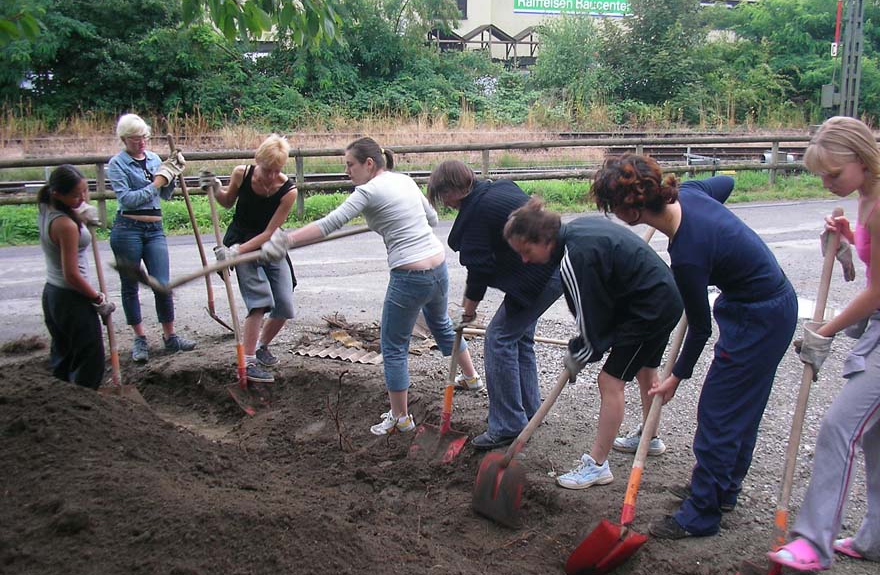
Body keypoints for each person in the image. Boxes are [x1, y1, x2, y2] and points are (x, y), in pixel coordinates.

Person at [591, 155, 798, 539]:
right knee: (742, 409)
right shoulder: (694, 192)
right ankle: (722, 492)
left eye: (612, 207)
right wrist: (718, 232)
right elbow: (727, 183)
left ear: (630, 210)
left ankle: (701, 514)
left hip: (757, 318)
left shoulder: (686, 256)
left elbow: (699, 328)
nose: (613, 214)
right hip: (770, 304)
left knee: (719, 414)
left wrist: (675, 377)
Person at [767, 116, 880, 571]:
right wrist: (848, 237)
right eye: (820, 175)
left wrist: (825, 329)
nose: (826, 183)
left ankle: (812, 544)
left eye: (833, 174)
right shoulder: (873, 190)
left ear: (862, 161)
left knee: (839, 428)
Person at [259, 137, 480, 435]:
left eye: (350, 165)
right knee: (440, 323)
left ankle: (400, 419)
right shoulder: (403, 181)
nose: (347, 171)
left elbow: (329, 224)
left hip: (409, 276)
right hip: (437, 267)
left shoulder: (367, 191)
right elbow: (432, 218)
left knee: (393, 346)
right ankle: (471, 377)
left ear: (369, 164)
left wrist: (287, 241)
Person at [503, 198, 683, 489]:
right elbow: (600, 306)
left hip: (648, 310)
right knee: (645, 370)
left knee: (610, 382)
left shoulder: (574, 258)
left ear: (545, 240)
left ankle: (597, 465)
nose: (524, 260)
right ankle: (649, 438)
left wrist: (582, 351)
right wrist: (587, 346)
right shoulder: (580, 228)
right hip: (663, 296)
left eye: (526, 251)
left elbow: (591, 317)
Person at [426, 160, 564, 450]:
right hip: (554, 268)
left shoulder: (477, 212)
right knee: (520, 339)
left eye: (444, 196)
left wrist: (469, 309)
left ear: (456, 190)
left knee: (498, 338)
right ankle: (530, 411)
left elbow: (480, 268)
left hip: (539, 275)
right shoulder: (499, 188)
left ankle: (507, 425)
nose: (445, 203)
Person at [202, 134, 297, 384]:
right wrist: (215, 188)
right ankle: (249, 360)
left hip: (269, 245)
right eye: (267, 170)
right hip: (240, 239)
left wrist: (237, 252)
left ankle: (262, 346)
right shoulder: (241, 174)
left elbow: (268, 233)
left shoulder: (288, 192)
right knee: (259, 302)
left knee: (285, 304)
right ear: (258, 161)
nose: (271, 176)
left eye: (277, 171)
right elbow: (226, 201)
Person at [107, 113, 195, 363]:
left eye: (144, 137)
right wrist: (157, 182)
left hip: (155, 229)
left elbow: (165, 195)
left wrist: (173, 172)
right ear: (124, 139)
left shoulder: (155, 158)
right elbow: (127, 199)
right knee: (130, 285)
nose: (142, 142)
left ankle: (170, 337)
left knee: (162, 284)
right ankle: (140, 339)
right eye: (136, 139)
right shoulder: (117, 164)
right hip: (128, 229)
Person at [38, 164, 115, 389]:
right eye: (75, 195)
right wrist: (98, 299)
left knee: (64, 355)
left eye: (84, 190)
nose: (82, 197)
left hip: (52, 293)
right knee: (91, 359)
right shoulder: (65, 225)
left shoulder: (45, 207)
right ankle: (83, 408)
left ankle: (61, 405)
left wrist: (79, 215)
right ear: (57, 194)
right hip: (71, 298)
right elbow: (71, 274)